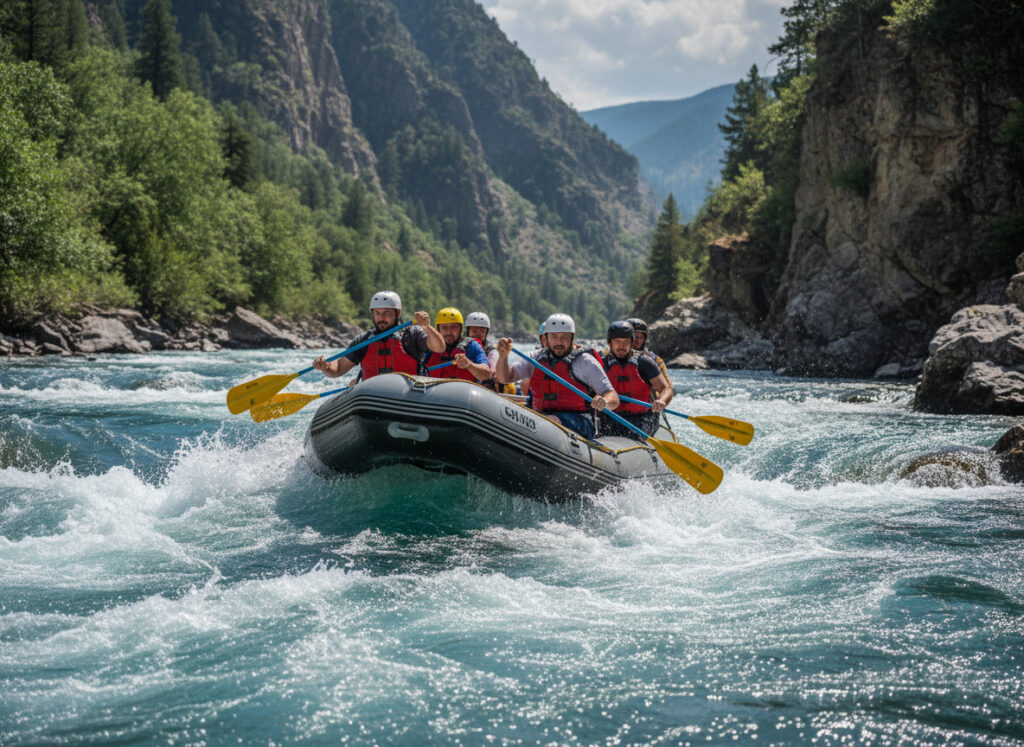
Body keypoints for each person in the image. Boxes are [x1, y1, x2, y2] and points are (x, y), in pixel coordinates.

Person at [495, 313, 618, 440]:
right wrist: (503, 356)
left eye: (564, 337)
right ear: (546, 338)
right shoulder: (536, 357)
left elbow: (613, 397)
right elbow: (505, 378)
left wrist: (605, 401)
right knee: (541, 420)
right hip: (542, 418)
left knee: (550, 421)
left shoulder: (585, 362)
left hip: (580, 421)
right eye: (554, 337)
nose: (559, 342)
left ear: (572, 337)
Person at [312, 290, 444, 380]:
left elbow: (439, 348)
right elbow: (340, 368)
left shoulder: (412, 333)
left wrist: (427, 327)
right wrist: (326, 366)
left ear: (398, 313)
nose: (381, 317)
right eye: (377, 313)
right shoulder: (364, 340)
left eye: (386, 312)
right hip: (373, 398)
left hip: (408, 395)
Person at [599, 321, 673, 439]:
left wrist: (662, 401)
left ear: (631, 343)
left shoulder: (644, 362)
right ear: (610, 343)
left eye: (626, 342)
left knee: (635, 435)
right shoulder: (601, 363)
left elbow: (666, 388)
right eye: (617, 341)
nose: (621, 346)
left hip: (642, 417)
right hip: (611, 415)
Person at [424, 307, 492, 383]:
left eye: (453, 327)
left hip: (464, 393)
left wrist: (468, 364)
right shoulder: (431, 346)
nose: (448, 332)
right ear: (439, 329)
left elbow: (486, 374)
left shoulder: (472, 346)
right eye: (444, 328)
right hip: (434, 392)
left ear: (460, 329)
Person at [626, 317, 671, 390]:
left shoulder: (656, 360)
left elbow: (668, 389)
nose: (637, 340)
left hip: (646, 398)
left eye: (640, 337)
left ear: (644, 339)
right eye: (634, 337)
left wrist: (661, 399)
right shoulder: (612, 355)